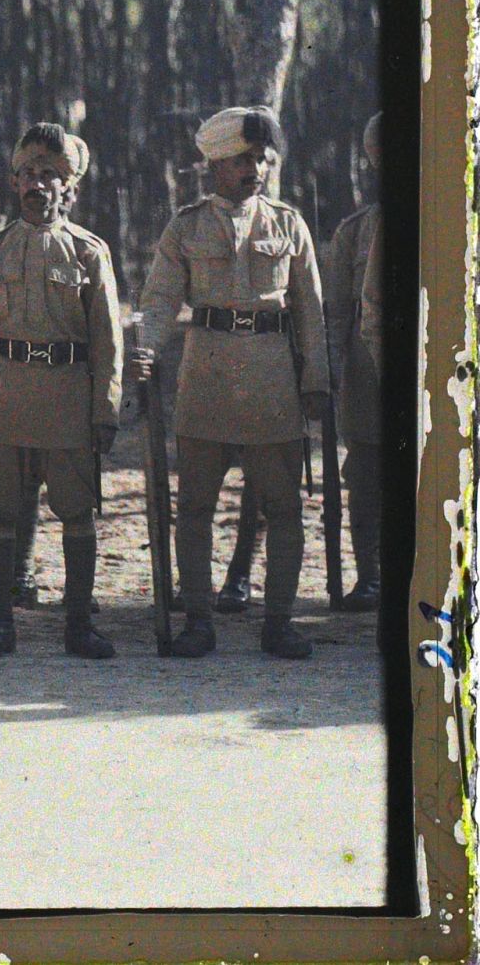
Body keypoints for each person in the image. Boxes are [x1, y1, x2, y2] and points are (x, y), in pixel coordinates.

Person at [131, 106, 330, 659]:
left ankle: (280, 622)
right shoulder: (186, 226)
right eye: (243, 160)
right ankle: (198, 620)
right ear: (216, 164)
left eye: (262, 159)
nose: (256, 170)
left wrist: (317, 379)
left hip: (271, 379)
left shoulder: (288, 224)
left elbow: (310, 310)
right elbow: (160, 299)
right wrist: (146, 350)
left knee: (284, 506)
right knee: (194, 506)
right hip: (207, 375)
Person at [0, 124, 123, 658]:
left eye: (51, 176)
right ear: (14, 183)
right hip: (6, 396)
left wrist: (106, 408)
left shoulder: (88, 253)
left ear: (69, 188)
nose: (39, 185)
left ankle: (78, 624)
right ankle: (1, 624)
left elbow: (108, 339)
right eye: (30, 174)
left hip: (66, 399)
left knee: (77, 510)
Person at [324, 112, 384, 612]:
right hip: (369, 380)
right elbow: (337, 315)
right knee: (365, 475)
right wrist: (323, 374)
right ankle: (371, 575)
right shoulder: (355, 232)